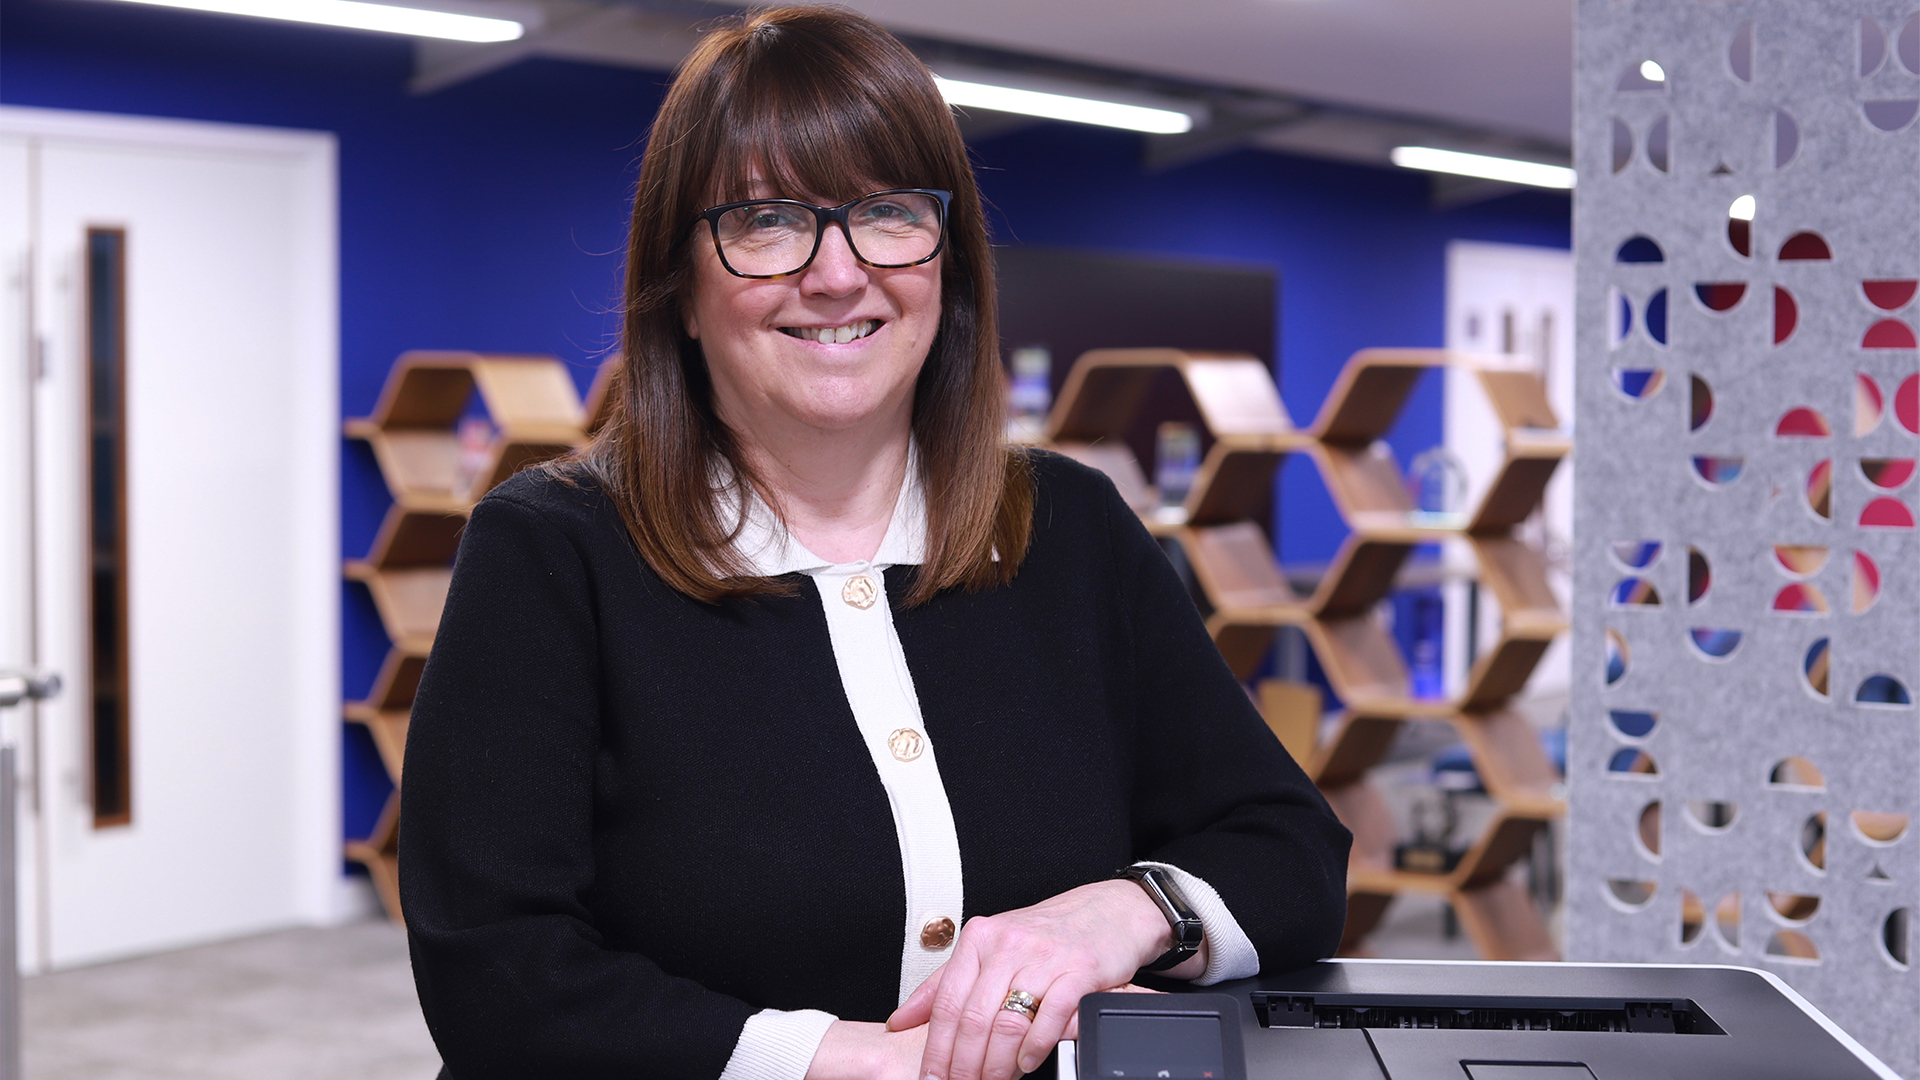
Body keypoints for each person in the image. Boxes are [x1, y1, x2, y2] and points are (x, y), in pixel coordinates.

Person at [398, 7, 1351, 1080]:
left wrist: (1120, 916)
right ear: (680, 288)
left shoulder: (1068, 526)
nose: (838, 274)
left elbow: (1292, 849)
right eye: (767, 222)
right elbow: (497, 974)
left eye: (888, 213)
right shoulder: (553, 553)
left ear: (948, 263)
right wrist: (842, 1060)